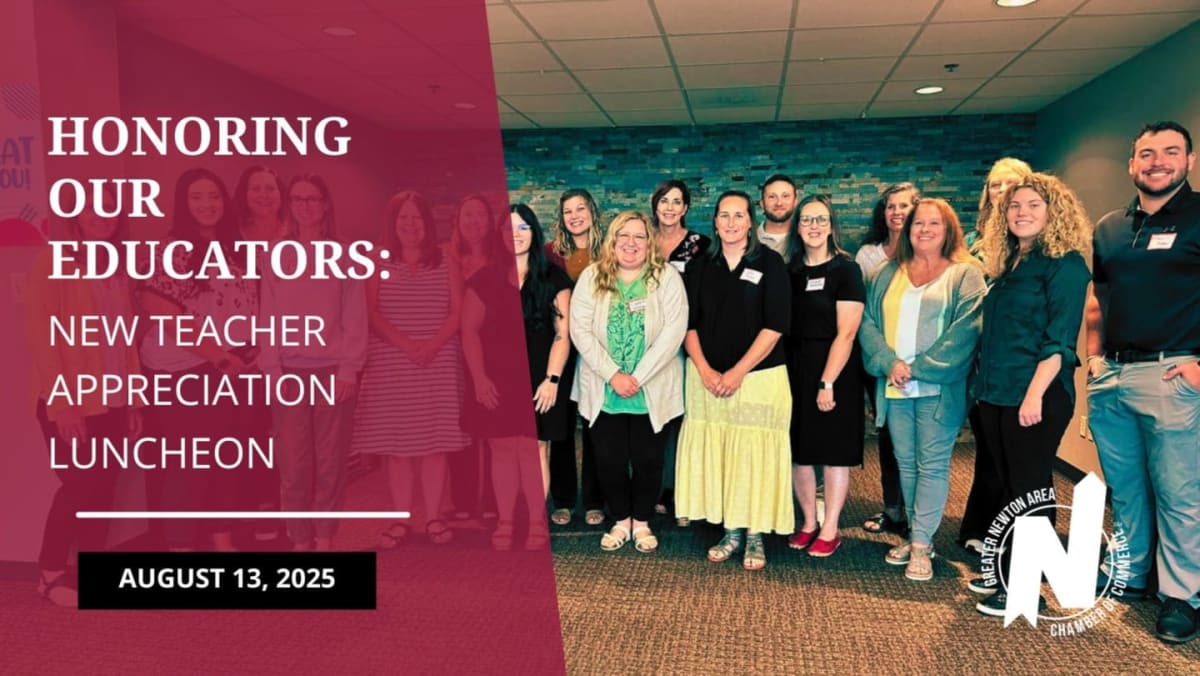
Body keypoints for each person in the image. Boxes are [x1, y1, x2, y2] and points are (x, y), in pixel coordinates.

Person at [1086, 121, 1200, 644]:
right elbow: (1099, 299)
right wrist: (1093, 358)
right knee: (1126, 487)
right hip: (1113, 374)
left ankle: (1182, 594)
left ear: (1189, 161)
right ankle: (1131, 573)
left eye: (1170, 152)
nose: (1158, 162)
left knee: (1179, 491)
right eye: (1147, 153)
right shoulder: (1111, 227)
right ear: (1132, 164)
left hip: (1173, 372)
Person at [968, 173, 1092, 615]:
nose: (1021, 212)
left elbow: (1059, 340)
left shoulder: (1065, 265)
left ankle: (1024, 590)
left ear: (1054, 212)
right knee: (1008, 485)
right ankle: (1005, 571)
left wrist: (1035, 394)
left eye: (1033, 205)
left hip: (1035, 394)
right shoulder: (1011, 264)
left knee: (1029, 489)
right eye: (1015, 206)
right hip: (997, 392)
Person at [26, 185, 143, 606]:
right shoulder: (53, 261)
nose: (101, 216)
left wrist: (133, 399)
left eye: (110, 210)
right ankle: (50, 574)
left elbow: (125, 340)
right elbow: (42, 336)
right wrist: (63, 404)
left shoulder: (116, 267)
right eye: (92, 209)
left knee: (104, 486)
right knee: (79, 485)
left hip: (112, 399)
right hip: (70, 401)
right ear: (75, 216)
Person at [859, 197, 985, 582]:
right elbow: (867, 322)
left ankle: (921, 543)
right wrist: (890, 363)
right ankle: (917, 536)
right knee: (906, 463)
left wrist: (918, 368)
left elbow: (966, 331)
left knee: (931, 464)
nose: (925, 230)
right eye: (918, 224)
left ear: (948, 230)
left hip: (938, 389)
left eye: (934, 224)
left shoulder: (965, 274)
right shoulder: (886, 273)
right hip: (895, 386)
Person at [139, 168, 257, 552]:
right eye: (197, 197)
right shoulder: (173, 250)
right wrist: (219, 357)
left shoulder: (233, 247)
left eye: (214, 196)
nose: (208, 204)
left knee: (224, 459)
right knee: (189, 464)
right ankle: (180, 548)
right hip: (182, 371)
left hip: (226, 368)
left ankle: (223, 543)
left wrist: (244, 354)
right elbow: (165, 315)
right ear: (183, 204)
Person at [676, 190, 793, 571]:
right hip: (706, 380)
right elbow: (687, 324)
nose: (731, 223)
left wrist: (738, 371)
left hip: (758, 377)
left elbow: (775, 325)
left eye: (738, 215)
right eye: (724, 215)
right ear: (714, 222)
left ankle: (755, 533)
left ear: (750, 221)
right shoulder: (699, 265)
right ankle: (730, 530)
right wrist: (706, 370)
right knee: (724, 456)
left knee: (753, 457)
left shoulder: (770, 263)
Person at [351, 191, 468, 548]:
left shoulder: (446, 259)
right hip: (391, 363)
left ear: (427, 223)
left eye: (417, 217)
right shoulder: (376, 259)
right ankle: (400, 519)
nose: (410, 224)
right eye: (403, 217)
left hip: (439, 361)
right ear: (392, 222)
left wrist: (431, 345)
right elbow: (370, 312)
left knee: (435, 444)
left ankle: (433, 517)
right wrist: (406, 345)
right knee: (397, 447)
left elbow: (457, 310)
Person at [257, 174, 367, 551]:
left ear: (325, 205)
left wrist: (349, 368)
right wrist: (272, 370)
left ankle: (324, 538)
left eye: (312, 199)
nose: (305, 206)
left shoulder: (345, 255)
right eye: (298, 199)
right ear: (290, 205)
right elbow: (268, 316)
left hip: (333, 372)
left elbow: (354, 316)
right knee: (294, 464)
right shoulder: (275, 254)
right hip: (288, 372)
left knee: (331, 463)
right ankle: (300, 540)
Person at [570, 211, 688, 552]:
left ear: (649, 242)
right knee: (609, 461)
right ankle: (621, 520)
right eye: (624, 235)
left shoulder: (665, 277)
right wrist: (613, 375)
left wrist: (636, 377)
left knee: (649, 460)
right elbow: (580, 329)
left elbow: (674, 330)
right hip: (604, 388)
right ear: (613, 240)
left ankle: (643, 521)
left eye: (639, 236)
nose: (631, 243)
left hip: (650, 388)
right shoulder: (593, 276)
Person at [462, 204, 572, 550]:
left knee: (535, 448)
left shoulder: (554, 277)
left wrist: (552, 380)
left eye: (523, 227)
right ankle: (506, 521)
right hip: (496, 380)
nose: (516, 234)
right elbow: (469, 332)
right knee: (502, 449)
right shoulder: (484, 279)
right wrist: (479, 379)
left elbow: (563, 334)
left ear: (534, 232)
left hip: (541, 378)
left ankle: (537, 521)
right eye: (508, 228)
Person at [959, 157, 1033, 557]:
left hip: (1019, 364)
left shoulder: (1035, 244)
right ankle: (982, 526)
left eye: (1011, 184)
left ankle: (1014, 541)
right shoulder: (973, 242)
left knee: (1016, 458)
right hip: (979, 363)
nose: (1001, 192)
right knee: (988, 449)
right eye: (994, 185)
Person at [784, 195, 864, 558]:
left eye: (820, 219)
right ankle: (808, 522)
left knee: (833, 452)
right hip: (794, 367)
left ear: (831, 226)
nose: (813, 226)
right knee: (799, 451)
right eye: (806, 220)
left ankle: (830, 527)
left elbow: (846, 333)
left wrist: (827, 381)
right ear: (797, 227)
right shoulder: (791, 270)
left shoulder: (846, 270)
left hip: (835, 370)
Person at [855, 182, 921, 538]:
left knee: (918, 440)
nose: (897, 212)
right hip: (879, 359)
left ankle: (917, 515)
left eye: (904, 206)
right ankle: (892, 508)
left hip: (918, 361)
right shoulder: (869, 255)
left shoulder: (928, 252)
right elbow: (862, 311)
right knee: (888, 436)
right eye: (891, 206)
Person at [648, 179, 710, 522]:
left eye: (676, 202)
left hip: (687, 337)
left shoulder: (700, 245)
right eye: (664, 201)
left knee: (680, 415)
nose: (670, 208)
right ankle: (652, 487)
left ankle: (678, 490)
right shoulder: (642, 239)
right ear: (655, 206)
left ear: (685, 208)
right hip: (646, 339)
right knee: (651, 413)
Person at [545, 189, 605, 527]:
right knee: (562, 426)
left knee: (596, 425)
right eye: (568, 211)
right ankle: (565, 499)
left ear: (592, 212)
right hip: (563, 348)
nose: (575, 216)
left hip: (599, 349)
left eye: (580, 208)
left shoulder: (608, 250)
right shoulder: (550, 254)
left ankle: (595, 499)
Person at [757, 174, 798, 260]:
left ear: (795, 202)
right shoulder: (749, 240)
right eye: (772, 197)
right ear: (762, 204)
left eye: (785, 196)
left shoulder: (806, 238)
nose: (779, 203)